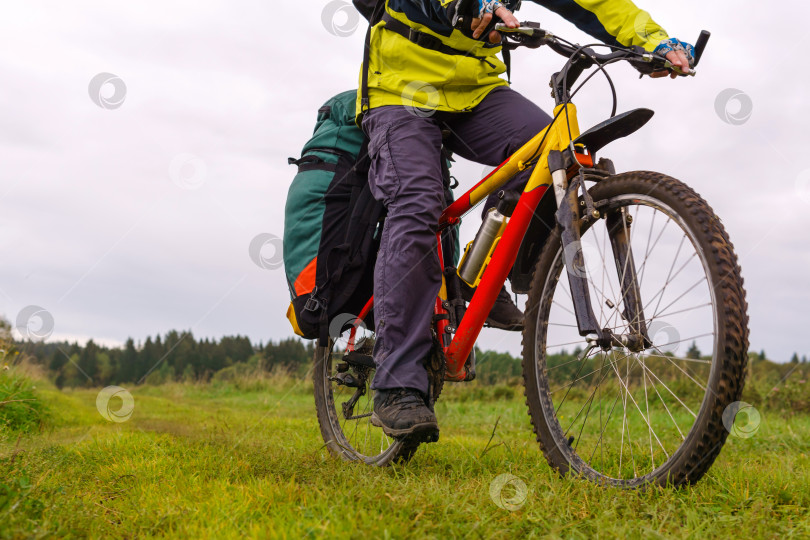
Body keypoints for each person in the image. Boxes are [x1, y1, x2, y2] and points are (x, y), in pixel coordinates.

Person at [360, 0, 695, 441]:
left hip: (477, 90)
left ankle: (480, 277)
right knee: (418, 202)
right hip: (400, 89)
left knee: (550, 151)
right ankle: (397, 382)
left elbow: (595, 3)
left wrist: (653, 42)